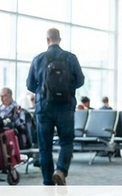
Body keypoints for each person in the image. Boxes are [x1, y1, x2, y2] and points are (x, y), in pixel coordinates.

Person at [26, 28, 85, 186]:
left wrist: (44, 91)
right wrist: (67, 89)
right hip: (65, 107)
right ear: (60, 39)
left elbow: (30, 84)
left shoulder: (38, 59)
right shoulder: (70, 58)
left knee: (45, 146)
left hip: (44, 108)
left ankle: (47, 182)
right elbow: (80, 81)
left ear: (47, 40)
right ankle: (61, 170)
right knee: (66, 142)